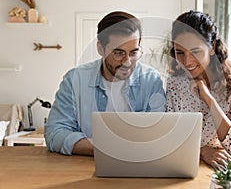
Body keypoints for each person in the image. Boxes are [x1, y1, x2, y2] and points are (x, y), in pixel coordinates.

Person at [45, 11, 166, 156]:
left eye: (133, 53)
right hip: (85, 169)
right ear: (100, 48)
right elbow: (55, 133)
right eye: (118, 53)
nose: (127, 62)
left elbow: (159, 134)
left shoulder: (151, 81)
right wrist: (104, 148)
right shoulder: (75, 80)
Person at [166, 10, 231, 171]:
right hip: (184, 169)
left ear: (212, 47)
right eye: (180, 53)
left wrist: (208, 98)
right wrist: (202, 152)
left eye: (195, 51)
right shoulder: (175, 83)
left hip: (225, 172)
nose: (187, 61)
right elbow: (170, 141)